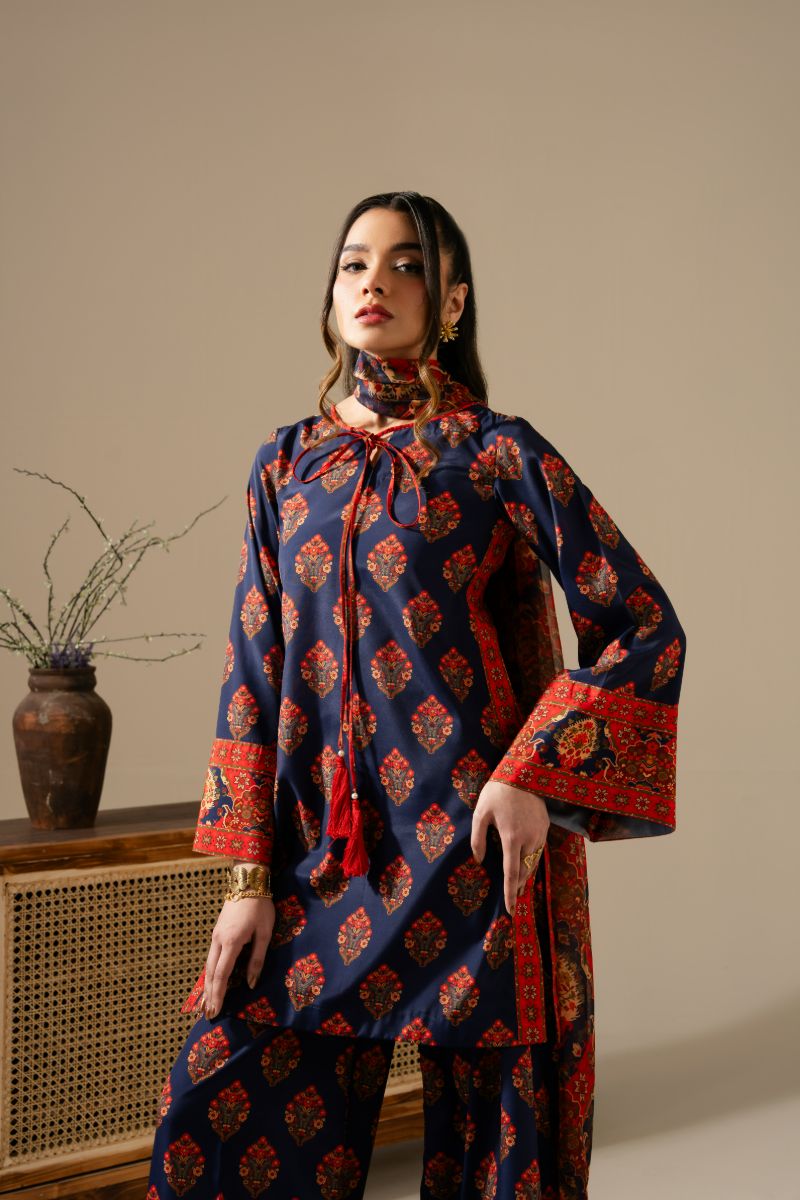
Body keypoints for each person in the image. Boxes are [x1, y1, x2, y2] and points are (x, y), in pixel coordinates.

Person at [147, 191, 687, 1199]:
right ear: (330, 293)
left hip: (472, 850)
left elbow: (641, 622)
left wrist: (533, 775)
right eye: (354, 263)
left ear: (452, 301)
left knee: (494, 1145)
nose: (374, 283)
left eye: (405, 265)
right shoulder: (285, 465)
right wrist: (247, 879)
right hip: (318, 857)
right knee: (218, 1116)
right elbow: (252, 672)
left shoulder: (495, 450)